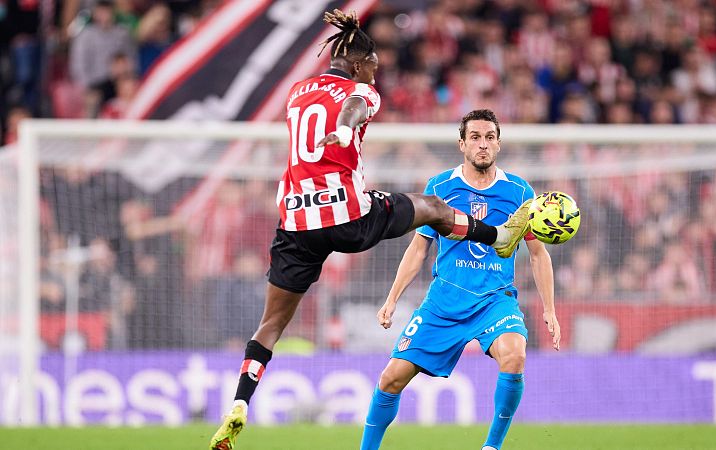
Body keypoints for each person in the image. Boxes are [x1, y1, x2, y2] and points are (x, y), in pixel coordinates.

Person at [209, 11, 533, 450]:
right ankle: (497, 236)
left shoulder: (296, 92)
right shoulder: (364, 91)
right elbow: (354, 105)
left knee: (270, 324)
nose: (376, 74)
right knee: (434, 207)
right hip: (347, 215)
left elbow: (330, 100)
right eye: (375, 66)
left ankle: (241, 401)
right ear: (361, 64)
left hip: (295, 222)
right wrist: (345, 129)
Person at [359, 109, 561, 450]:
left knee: (514, 355)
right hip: (444, 302)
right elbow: (419, 248)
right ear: (462, 144)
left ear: (498, 144)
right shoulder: (440, 187)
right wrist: (393, 298)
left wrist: (550, 309)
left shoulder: (519, 191)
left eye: (489, 138)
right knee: (391, 379)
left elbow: (539, 254)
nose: (483, 145)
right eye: (475, 138)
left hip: (494, 300)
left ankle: (491, 447)